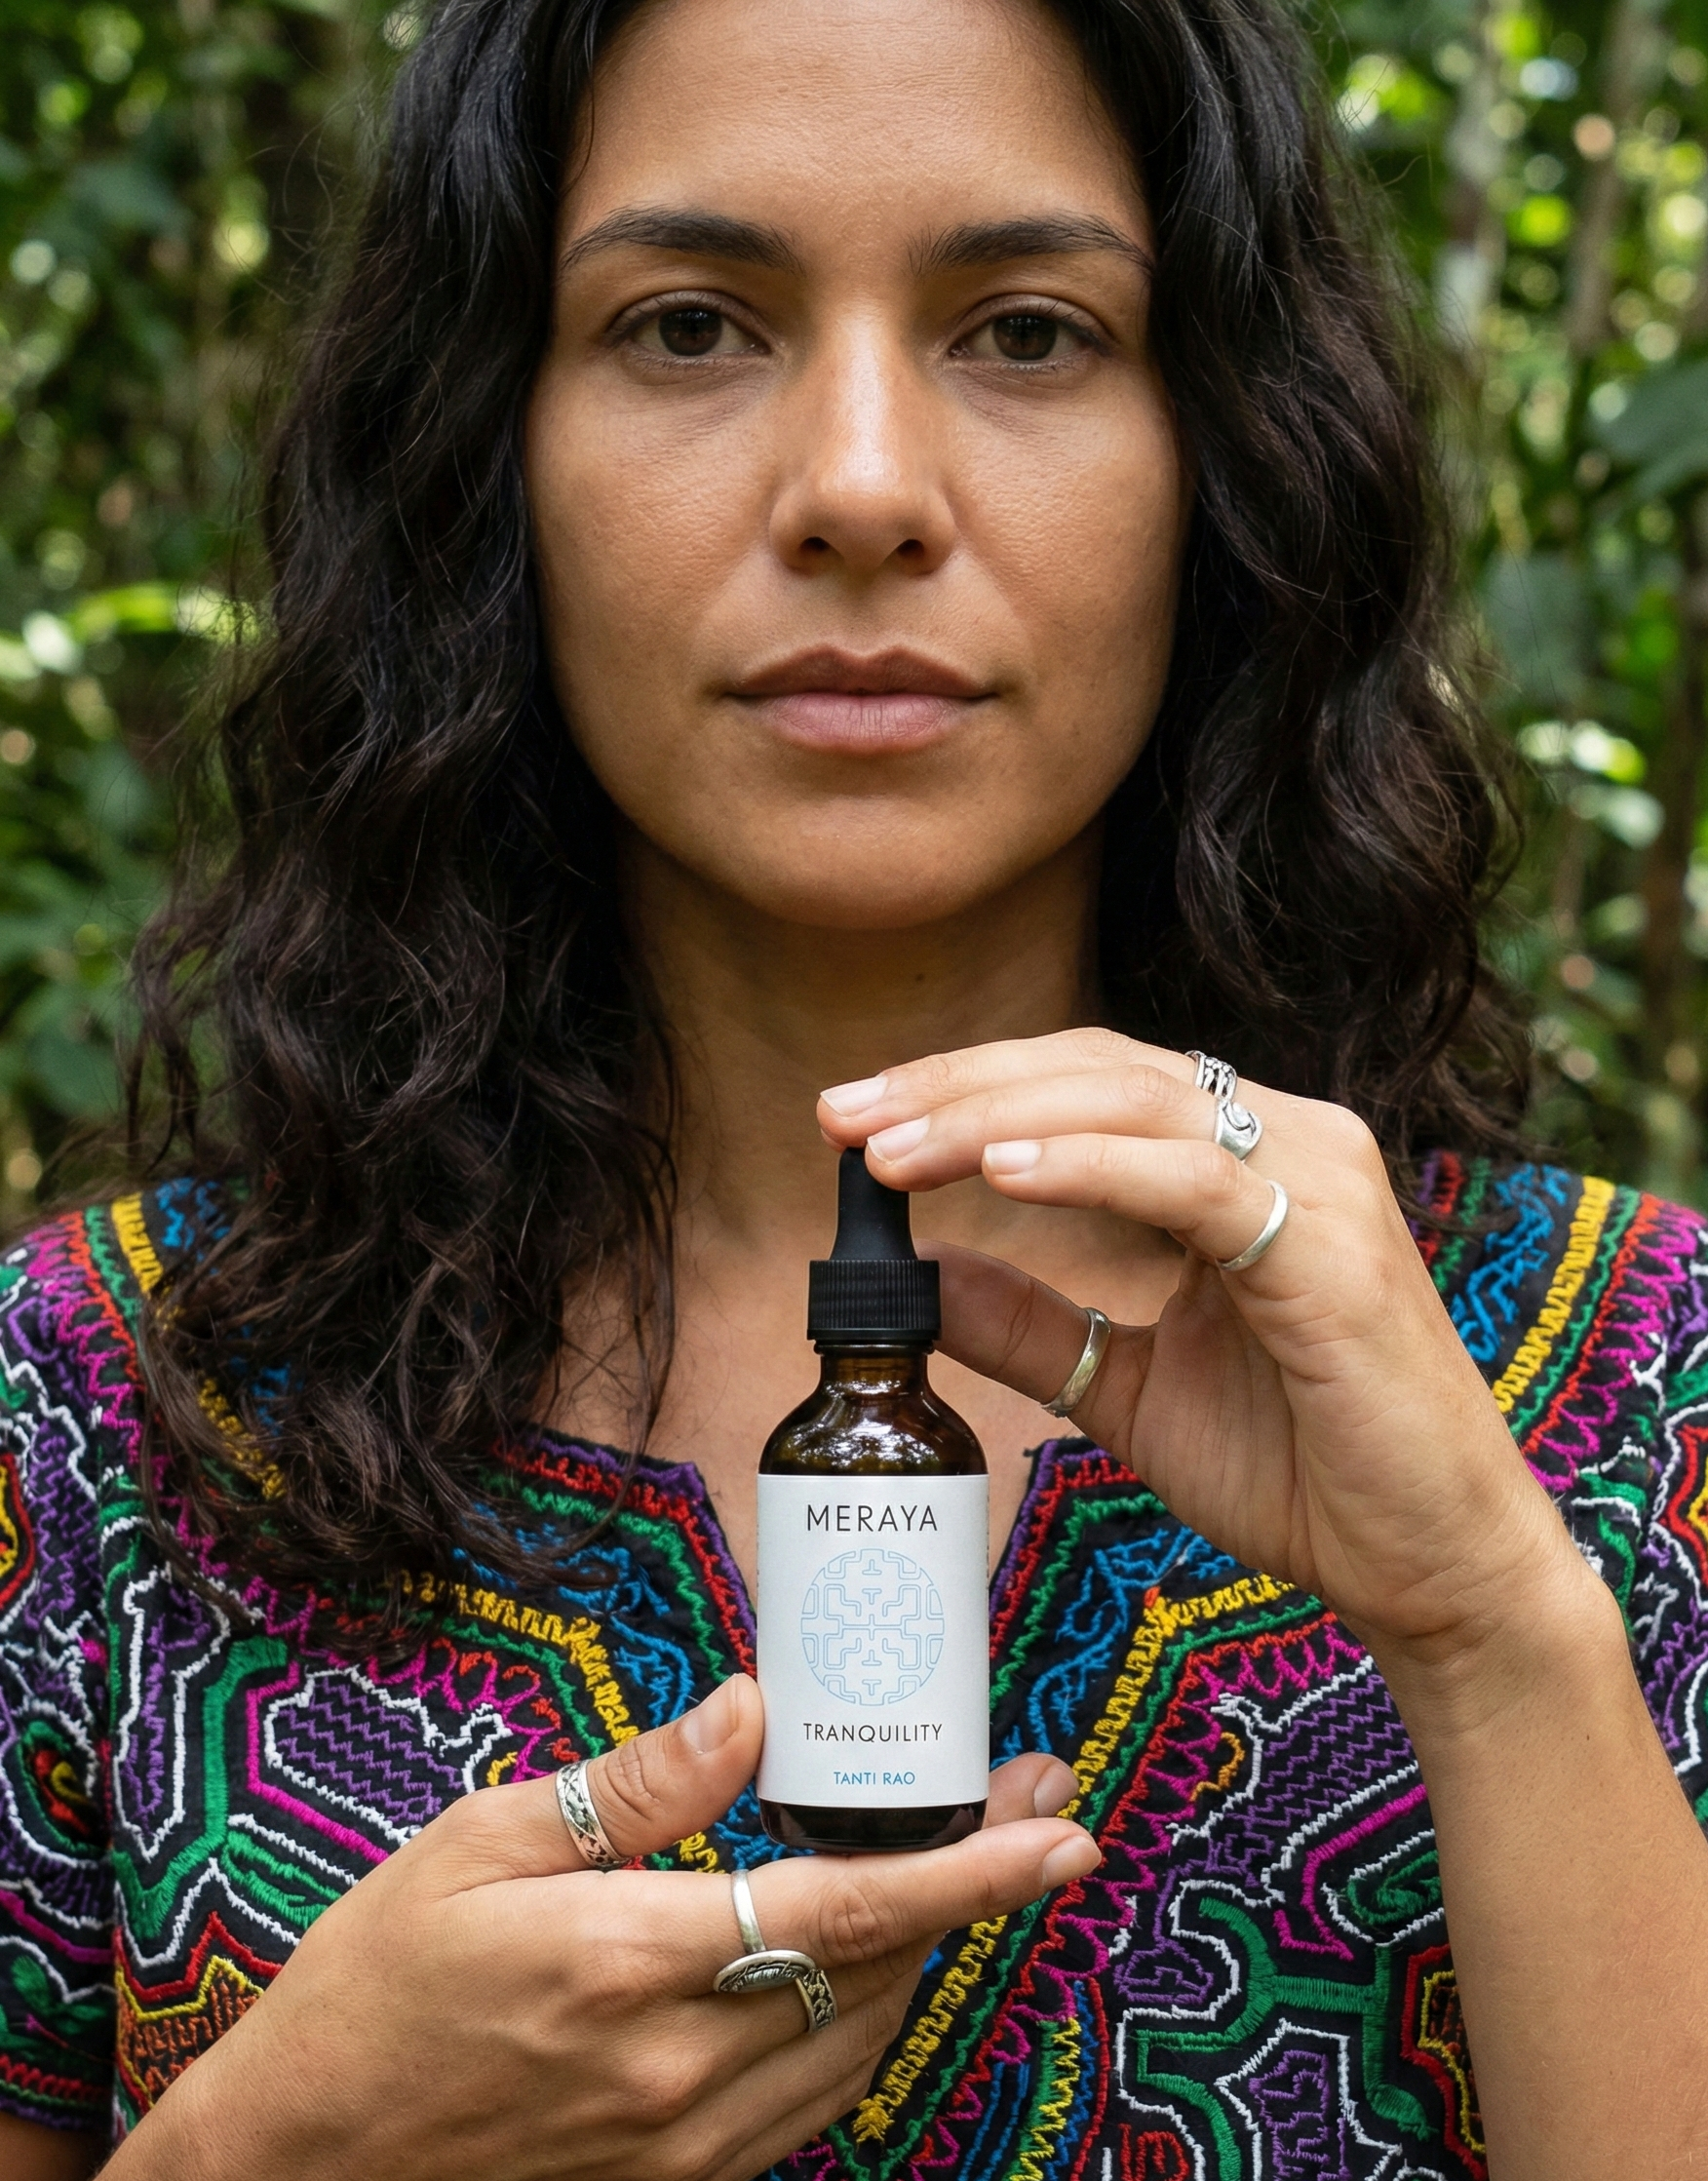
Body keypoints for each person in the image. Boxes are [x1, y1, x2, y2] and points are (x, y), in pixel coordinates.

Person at [4, 0, 1708, 2173]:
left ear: (1226, 450)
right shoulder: (94, 1423)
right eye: (693, 323)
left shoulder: (1648, 1394)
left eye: (1025, 330)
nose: (866, 491)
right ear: (485, 449)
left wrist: (1491, 1617)